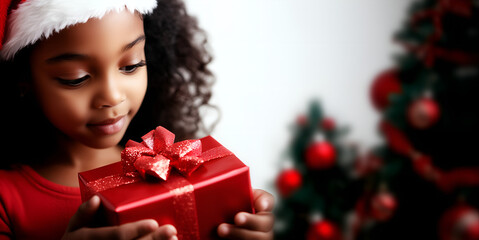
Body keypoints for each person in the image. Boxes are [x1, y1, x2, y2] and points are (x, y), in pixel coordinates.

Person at [0, 0, 274, 239]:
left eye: (130, 65)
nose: (112, 96)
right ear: (23, 79)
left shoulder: (168, 167)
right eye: (76, 78)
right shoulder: (7, 197)